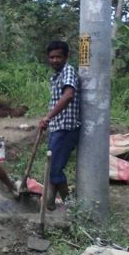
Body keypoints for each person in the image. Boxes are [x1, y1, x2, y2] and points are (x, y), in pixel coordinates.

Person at [38, 40, 81, 211]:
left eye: (58, 57)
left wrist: (48, 117)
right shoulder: (56, 76)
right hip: (57, 127)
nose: (55, 60)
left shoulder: (68, 71)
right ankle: (49, 203)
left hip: (66, 127)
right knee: (52, 166)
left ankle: (71, 207)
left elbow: (68, 95)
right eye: (52, 57)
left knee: (55, 169)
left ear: (66, 57)